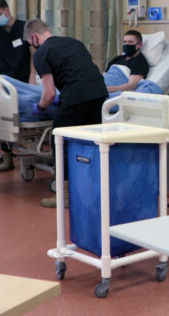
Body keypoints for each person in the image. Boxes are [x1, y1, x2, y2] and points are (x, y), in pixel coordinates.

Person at [23, 18, 109, 208]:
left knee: (60, 142)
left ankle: (65, 196)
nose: (32, 47)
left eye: (31, 44)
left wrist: (40, 108)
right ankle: (93, 189)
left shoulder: (41, 54)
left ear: (34, 37)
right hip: (100, 95)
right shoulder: (74, 42)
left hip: (76, 98)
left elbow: (49, 92)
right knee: (92, 144)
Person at [0, 0, 35, 172]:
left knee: (22, 117)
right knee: (3, 118)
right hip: (1, 80)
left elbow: (34, 54)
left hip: (22, 78)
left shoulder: (24, 28)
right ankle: (7, 155)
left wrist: (33, 77)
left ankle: (31, 151)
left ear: (7, 10)